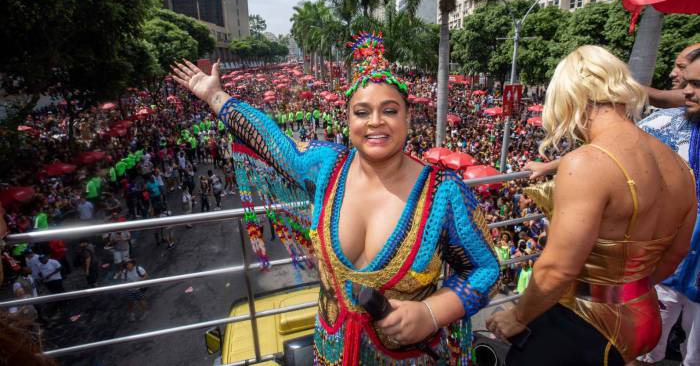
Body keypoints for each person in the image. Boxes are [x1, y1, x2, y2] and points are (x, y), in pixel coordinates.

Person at [172, 31, 500, 364]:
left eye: (389, 110)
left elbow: (486, 270)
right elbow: (272, 141)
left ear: (408, 118)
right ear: (347, 119)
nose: (375, 122)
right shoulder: (325, 166)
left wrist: (430, 312)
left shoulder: (444, 191)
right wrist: (215, 96)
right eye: (362, 112)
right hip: (331, 348)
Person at [486, 45, 696, 366]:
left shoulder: (586, 162)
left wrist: (517, 315)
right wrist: (627, 290)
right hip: (644, 312)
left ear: (571, 98)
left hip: (591, 323)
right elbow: (674, 255)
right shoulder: (681, 167)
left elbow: (558, 268)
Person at [637, 46, 700, 365]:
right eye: (686, 80)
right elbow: (621, 150)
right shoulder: (667, 125)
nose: (685, 90)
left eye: (697, 84)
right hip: (668, 267)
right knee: (647, 346)